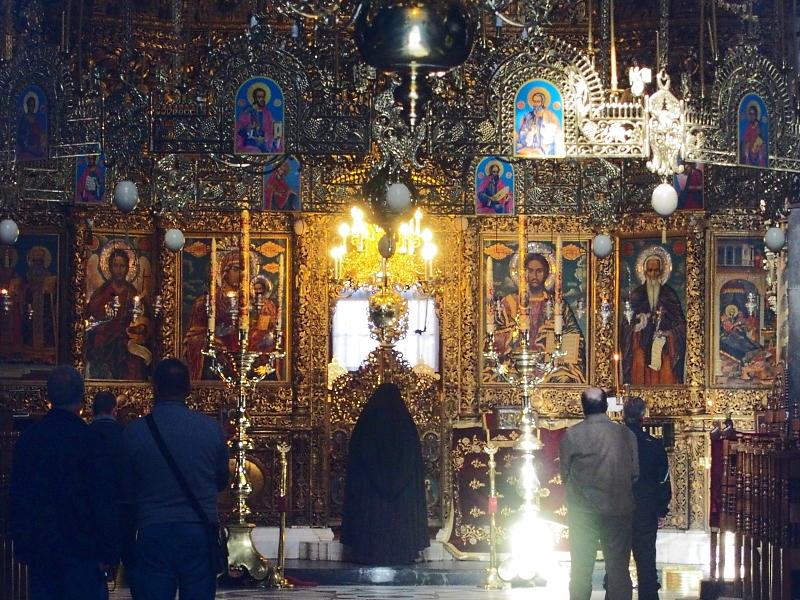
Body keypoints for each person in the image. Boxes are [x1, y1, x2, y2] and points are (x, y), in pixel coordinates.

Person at [123, 358, 229, 599]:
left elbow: (126, 486)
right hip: (198, 530)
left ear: (155, 387)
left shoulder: (134, 432)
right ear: (188, 389)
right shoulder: (211, 429)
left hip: (153, 529)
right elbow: (221, 480)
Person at [10, 365, 119, 600]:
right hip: (84, 552)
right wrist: (109, 551)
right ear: (82, 398)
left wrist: (21, 543)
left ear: (48, 396)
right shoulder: (90, 440)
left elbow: (19, 496)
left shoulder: (30, 440)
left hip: (42, 549)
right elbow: (102, 499)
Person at [559, 387, 639, 600]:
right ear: (606, 406)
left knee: (581, 568)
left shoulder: (572, 434)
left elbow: (564, 474)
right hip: (618, 509)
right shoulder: (625, 433)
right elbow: (635, 473)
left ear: (583, 408)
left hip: (583, 512)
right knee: (618, 570)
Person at [341, 383, 429, 565]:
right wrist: (397, 481)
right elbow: (412, 460)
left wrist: (377, 479)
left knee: (373, 519)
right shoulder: (405, 424)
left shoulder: (366, 423)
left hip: (371, 494)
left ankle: (366, 552)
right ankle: (403, 552)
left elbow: (360, 458)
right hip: (401, 495)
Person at [493, 252, 586, 383]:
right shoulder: (509, 303)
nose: (534, 276)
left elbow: (575, 336)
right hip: (516, 364)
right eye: (530, 271)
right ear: (523, 274)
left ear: (547, 273)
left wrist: (558, 345)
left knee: (564, 378)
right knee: (498, 378)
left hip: (549, 365)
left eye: (539, 271)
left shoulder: (558, 304)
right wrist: (512, 335)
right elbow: (495, 334)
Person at [622, 397, 671, 600]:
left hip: (617, 510)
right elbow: (663, 481)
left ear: (623, 416)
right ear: (644, 417)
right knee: (646, 561)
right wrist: (661, 510)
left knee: (616, 562)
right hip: (645, 510)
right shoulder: (653, 445)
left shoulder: (613, 444)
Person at [86, 247, 153, 380]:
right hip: (105, 336)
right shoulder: (103, 291)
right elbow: (91, 315)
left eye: (122, 266)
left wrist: (140, 326)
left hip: (127, 336)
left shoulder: (131, 291)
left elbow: (143, 317)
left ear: (127, 268)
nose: (119, 270)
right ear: (110, 267)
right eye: (116, 266)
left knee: (137, 359)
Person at [622, 253, 687, 385]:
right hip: (640, 348)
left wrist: (670, 334)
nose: (653, 274)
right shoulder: (637, 295)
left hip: (664, 348)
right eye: (650, 270)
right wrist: (637, 326)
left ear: (662, 272)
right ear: (645, 272)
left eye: (656, 270)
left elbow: (681, 324)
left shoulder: (669, 294)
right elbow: (625, 325)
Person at [184, 251, 243, 380]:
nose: (241, 274)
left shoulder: (252, 303)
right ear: (225, 272)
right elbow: (192, 336)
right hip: (214, 359)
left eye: (244, 269)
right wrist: (211, 338)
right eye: (237, 269)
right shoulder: (203, 302)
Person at [21, 245, 57, 364]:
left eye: (39, 261)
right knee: (29, 327)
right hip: (31, 304)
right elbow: (24, 289)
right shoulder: (28, 275)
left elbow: (52, 290)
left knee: (45, 328)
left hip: (44, 305)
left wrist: (48, 288)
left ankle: (46, 355)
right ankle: (30, 354)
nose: (37, 264)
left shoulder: (48, 275)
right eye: (35, 261)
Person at [235, 85, 283, 154]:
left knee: (271, 149)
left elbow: (272, 128)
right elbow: (239, 128)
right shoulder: (248, 111)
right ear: (254, 98)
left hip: (265, 141)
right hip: (250, 141)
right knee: (255, 150)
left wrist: (273, 135)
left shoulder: (266, 113)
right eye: (259, 97)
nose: (261, 99)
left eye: (263, 97)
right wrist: (249, 127)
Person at [516, 91, 565, 157]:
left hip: (546, 147)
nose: (536, 104)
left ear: (542, 103)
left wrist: (544, 130)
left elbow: (557, 132)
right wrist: (529, 132)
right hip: (530, 147)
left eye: (538, 101)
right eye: (534, 101)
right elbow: (523, 131)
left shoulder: (550, 115)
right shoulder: (528, 115)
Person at [16, 93, 46, 161]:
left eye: (33, 105)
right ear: (27, 106)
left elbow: (39, 130)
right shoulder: (25, 119)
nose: (31, 107)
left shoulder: (35, 118)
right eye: (30, 105)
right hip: (27, 144)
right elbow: (21, 132)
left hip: (36, 144)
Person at [741, 103, 767, 167]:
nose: (751, 116)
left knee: (761, 151)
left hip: (757, 144)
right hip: (750, 145)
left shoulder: (758, 125)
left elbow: (760, 136)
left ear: (756, 115)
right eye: (750, 114)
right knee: (746, 151)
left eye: (753, 114)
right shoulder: (749, 126)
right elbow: (746, 136)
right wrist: (748, 142)